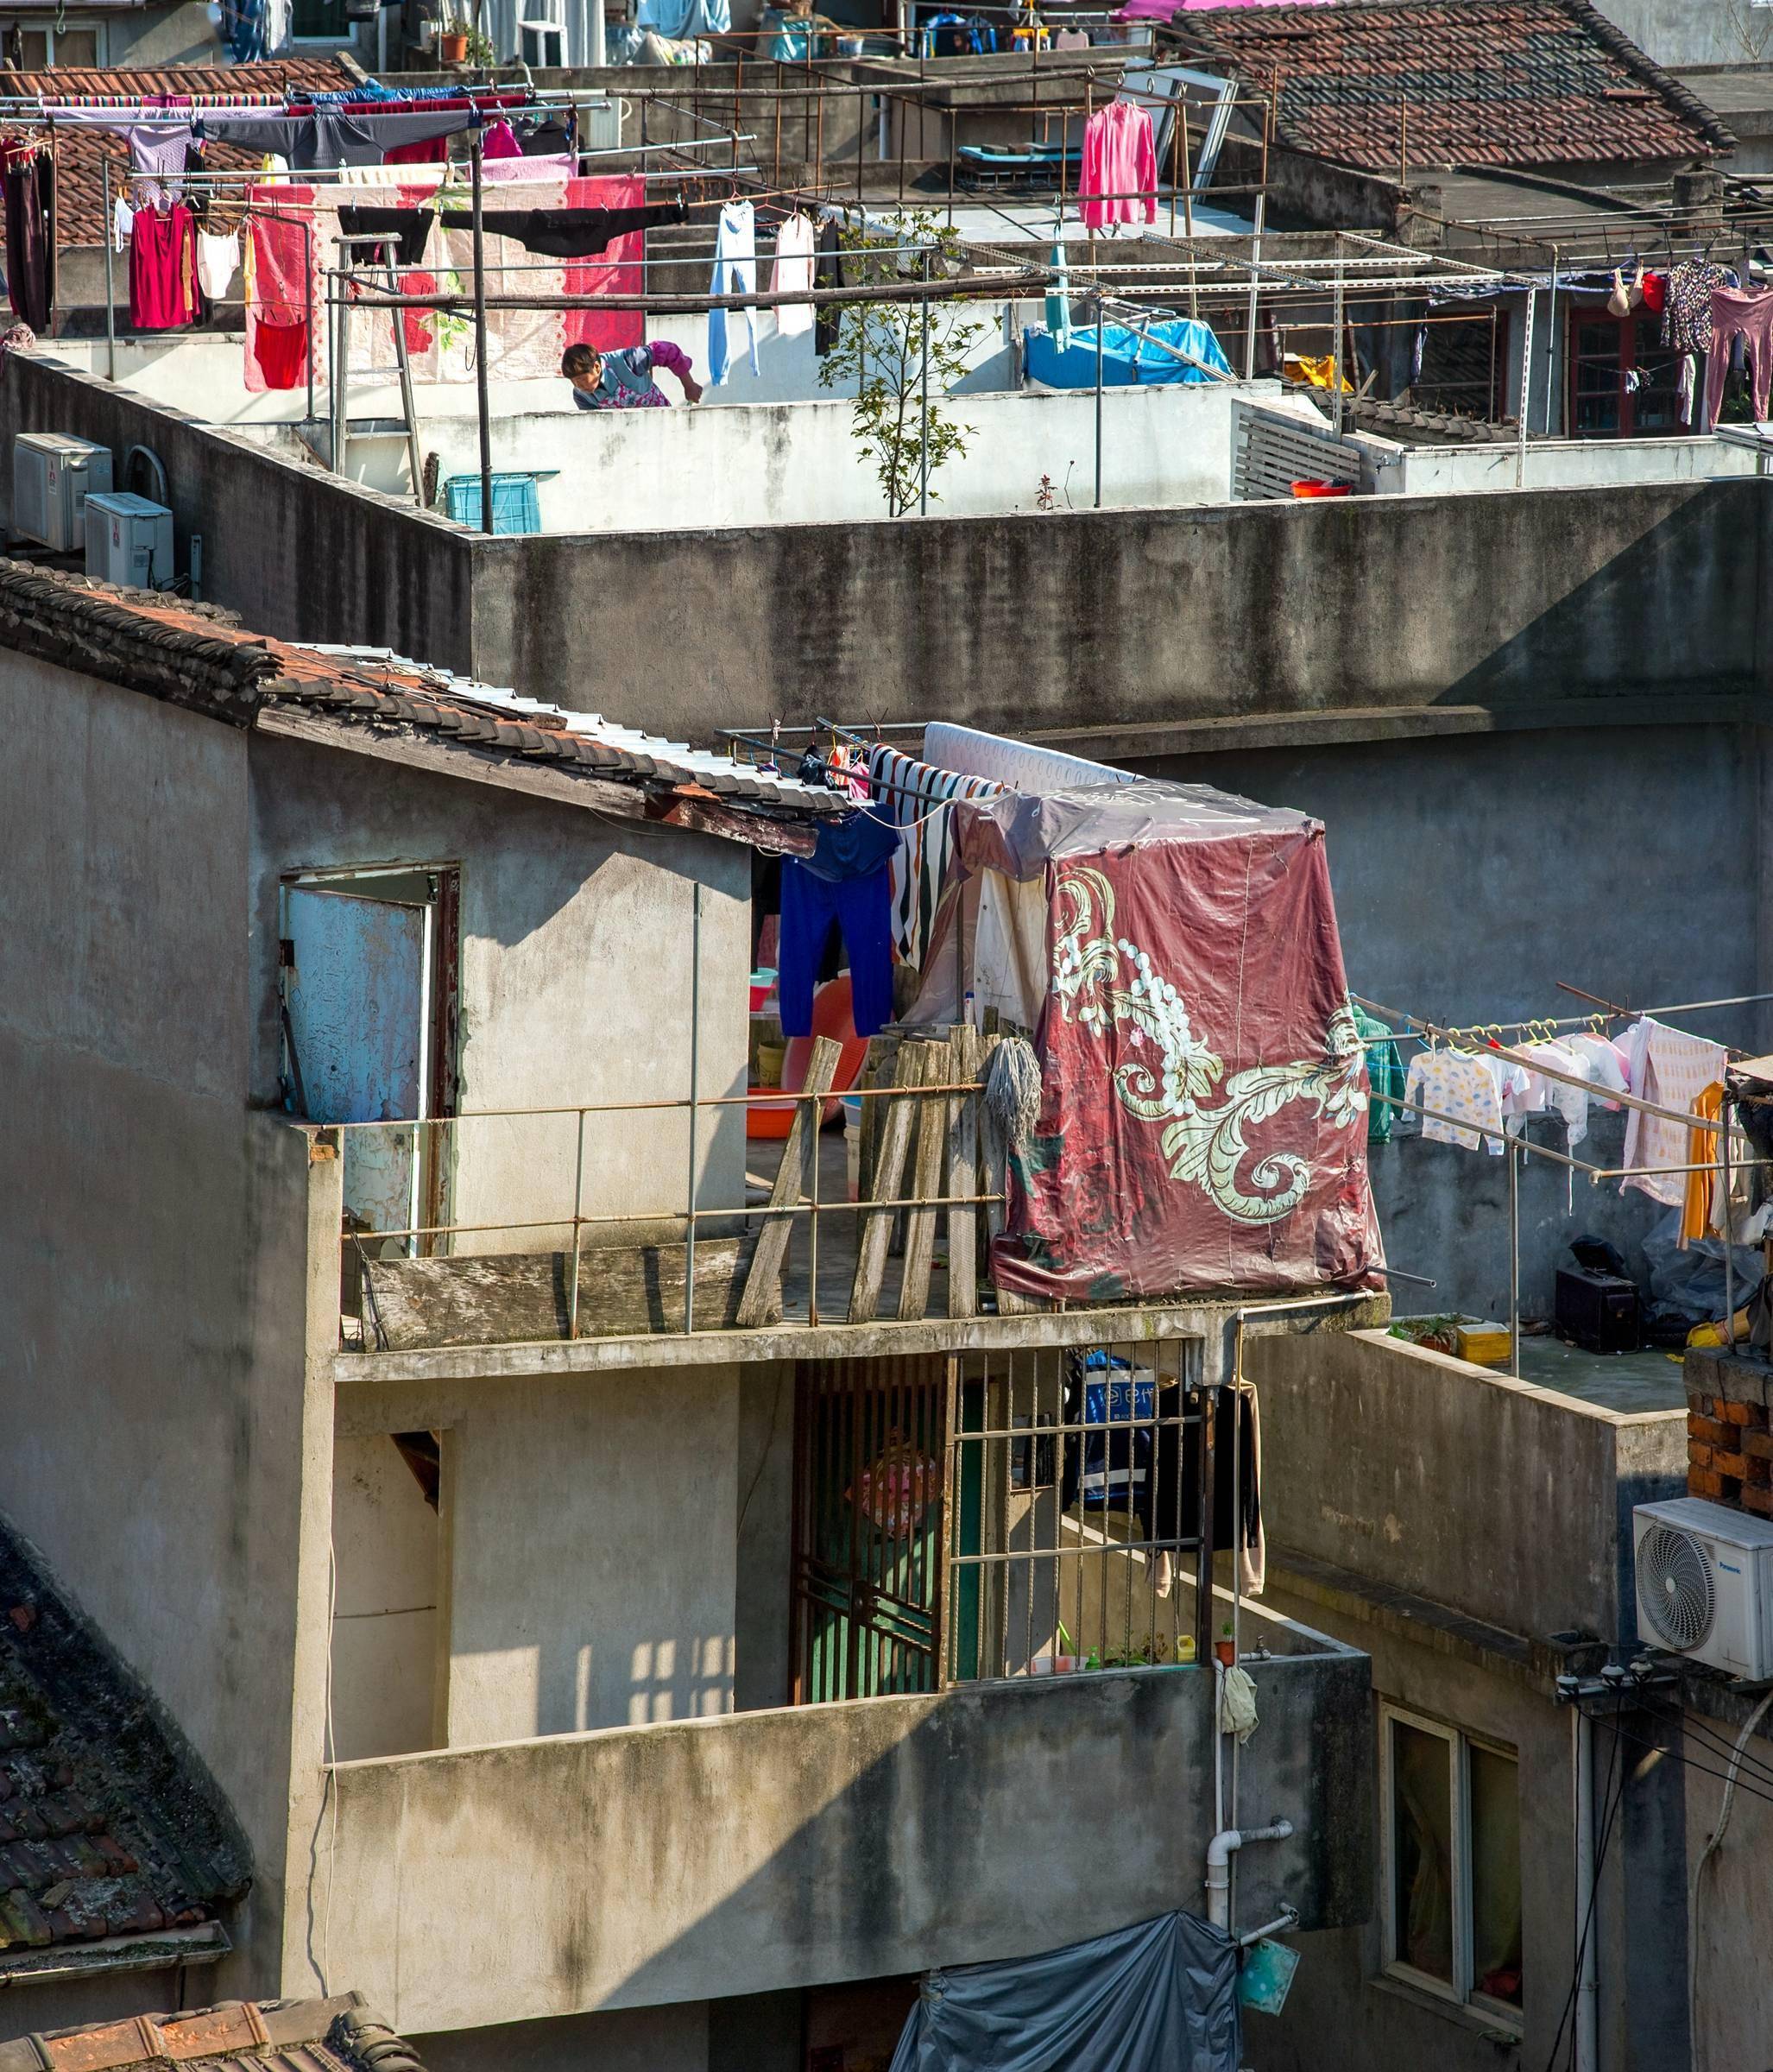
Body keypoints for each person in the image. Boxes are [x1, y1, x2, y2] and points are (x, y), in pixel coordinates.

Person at [562, 338, 702, 410]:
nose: (580, 386)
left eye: (582, 379)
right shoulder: (581, 396)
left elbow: (669, 352)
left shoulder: (629, 360)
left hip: (663, 424)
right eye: (575, 382)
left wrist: (689, 385)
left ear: (597, 368)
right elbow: (596, 425)